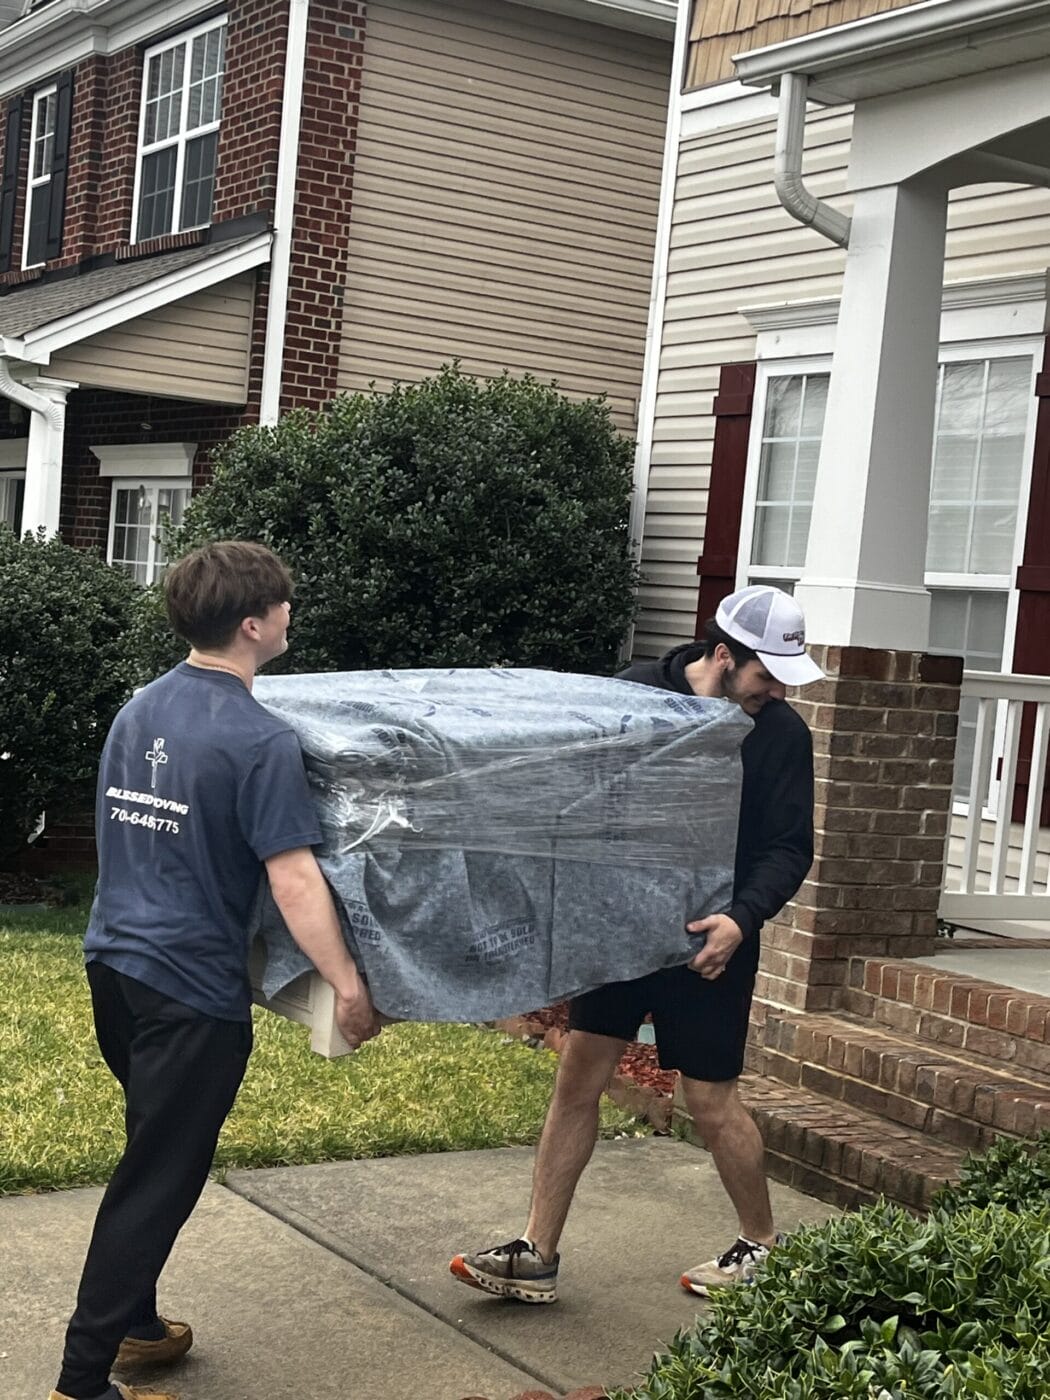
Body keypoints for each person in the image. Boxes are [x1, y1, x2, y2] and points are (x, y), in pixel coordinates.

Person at [50, 541, 381, 1400]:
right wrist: (348, 983)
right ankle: (82, 1382)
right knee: (157, 1180)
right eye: (282, 606)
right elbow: (294, 875)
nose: (289, 616)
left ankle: (137, 1323)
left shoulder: (140, 708)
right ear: (252, 626)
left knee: (149, 1149)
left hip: (113, 966)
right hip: (190, 995)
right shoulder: (261, 739)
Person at [449, 584, 821, 1303]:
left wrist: (742, 919)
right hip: (618, 930)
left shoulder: (781, 735)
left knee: (709, 1100)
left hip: (710, 939)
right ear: (721, 656)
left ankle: (762, 1248)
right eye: (765, 675)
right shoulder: (630, 697)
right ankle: (537, 1251)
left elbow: (789, 848)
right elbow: (572, 800)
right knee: (578, 1078)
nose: (776, 691)